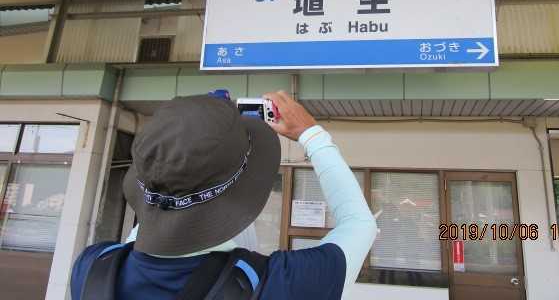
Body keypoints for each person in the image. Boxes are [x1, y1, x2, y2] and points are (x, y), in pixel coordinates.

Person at [70, 92, 377, 299]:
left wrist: (187, 138)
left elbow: (150, 223)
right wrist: (311, 133)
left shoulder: (92, 267)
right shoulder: (280, 284)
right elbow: (360, 224)